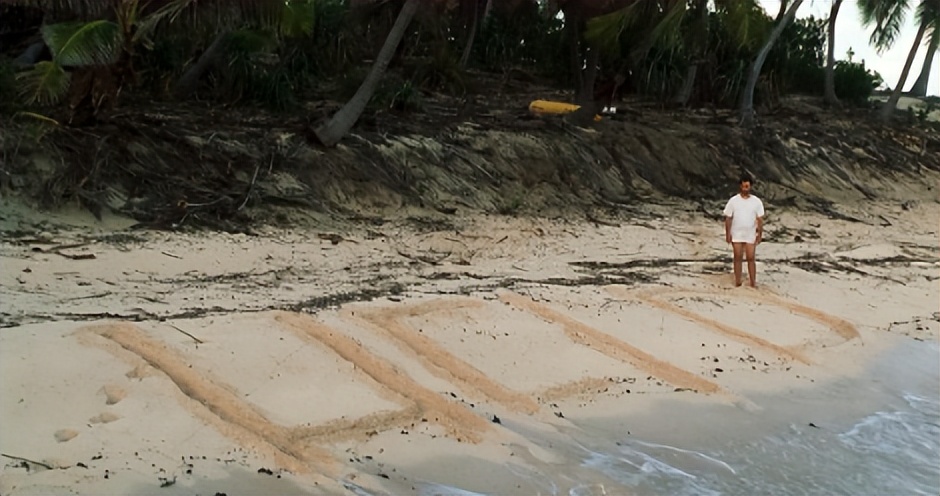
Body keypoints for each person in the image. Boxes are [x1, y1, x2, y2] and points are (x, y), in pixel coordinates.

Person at [723, 175, 764, 287]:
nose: (746, 189)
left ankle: (753, 282)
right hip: (736, 233)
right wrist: (728, 233)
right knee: (737, 257)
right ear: (740, 186)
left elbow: (760, 219)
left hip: (750, 233)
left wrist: (759, 234)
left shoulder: (756, 202)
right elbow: (728, 218)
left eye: (747, 186)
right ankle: (738, 281)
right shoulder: (733, 201)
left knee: (751, 257)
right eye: (744, 186)